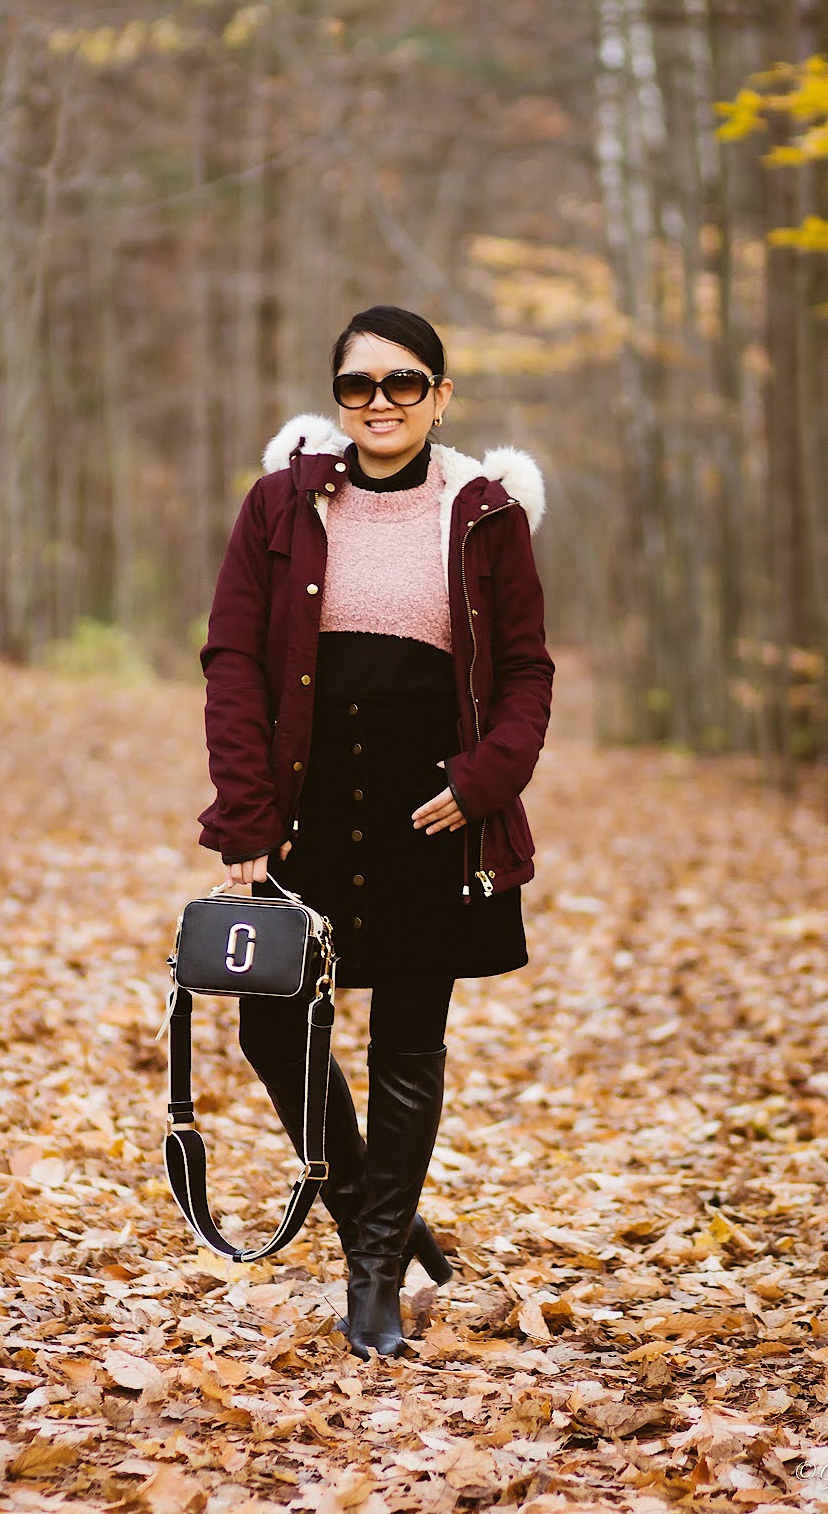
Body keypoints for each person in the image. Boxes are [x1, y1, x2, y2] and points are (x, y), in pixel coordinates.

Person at [198, 305, 554, 1358]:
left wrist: (487, 777)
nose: (383, 403)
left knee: (407, 1040)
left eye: (406, 384)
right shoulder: (279, 505)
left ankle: (372, 1279)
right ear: (336, 398)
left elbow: (527, 672)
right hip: (304, 802)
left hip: (432, 807)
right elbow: (234, 661)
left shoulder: (488, 516)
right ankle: (377, 1216)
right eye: (361, 386)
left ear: (442, 396)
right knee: (272, 1020)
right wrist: (247, 813)